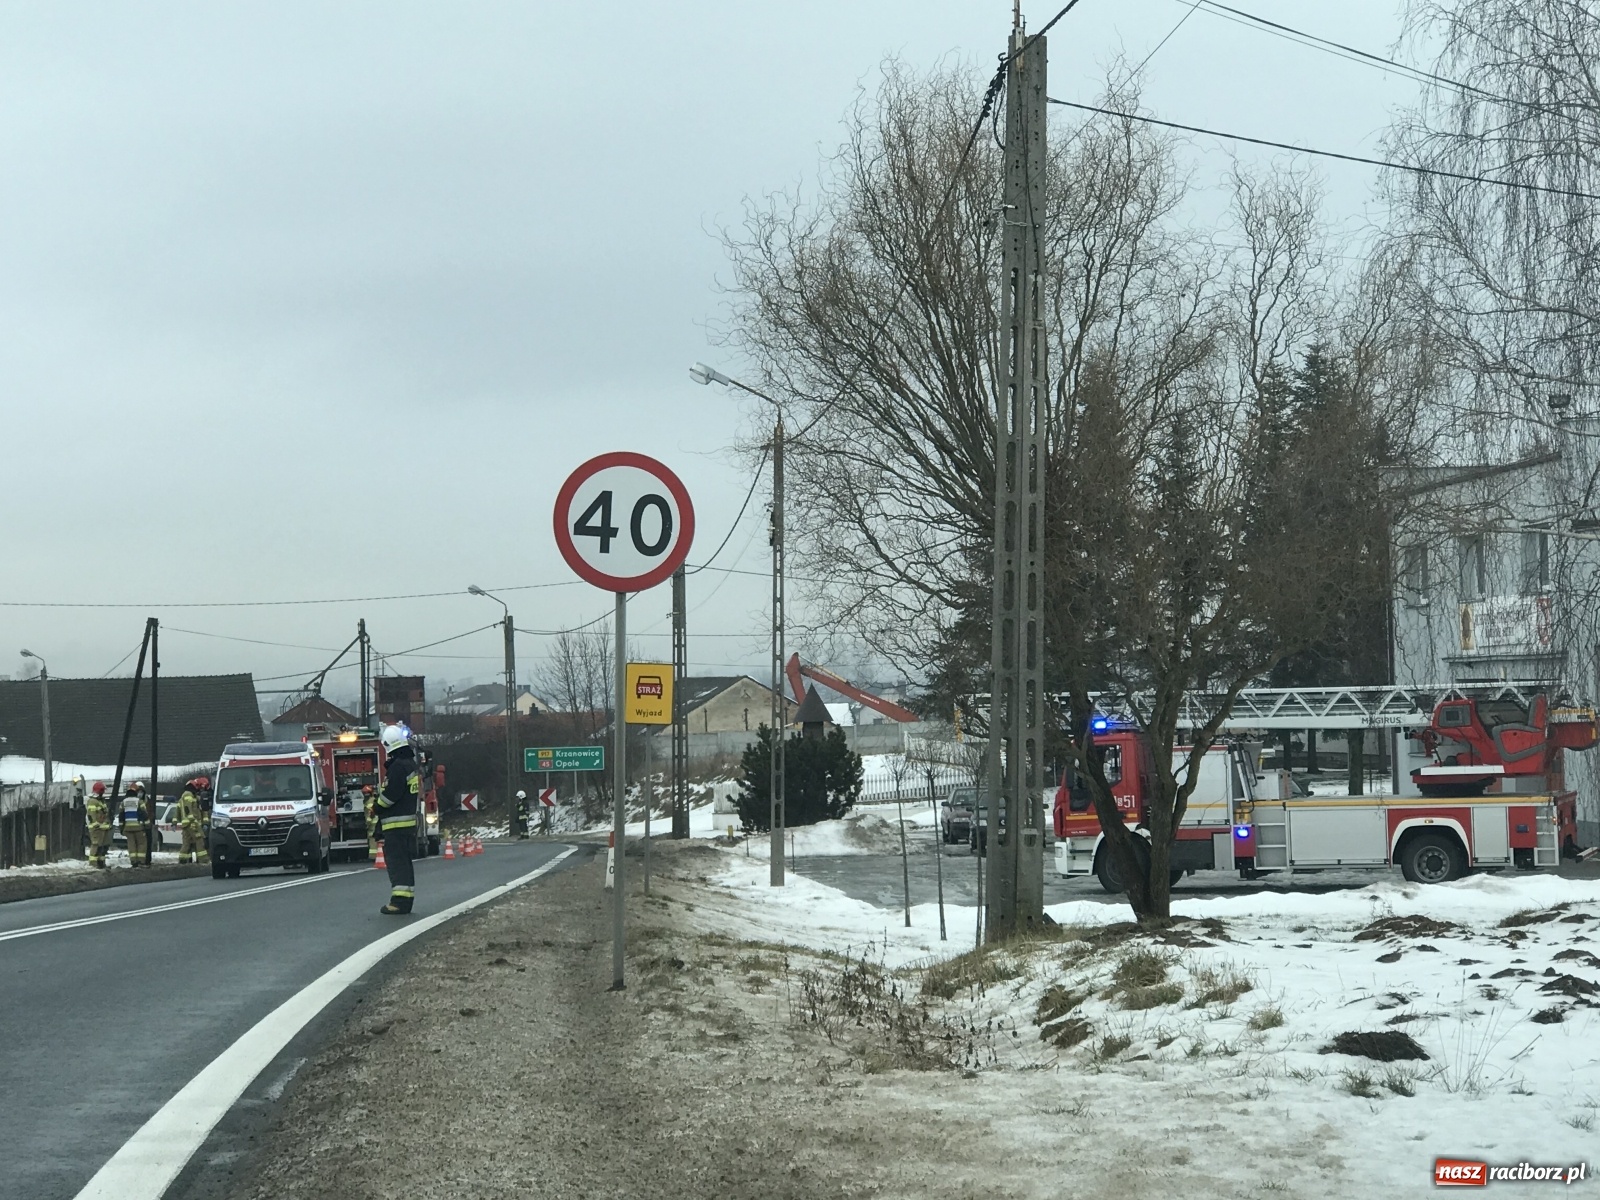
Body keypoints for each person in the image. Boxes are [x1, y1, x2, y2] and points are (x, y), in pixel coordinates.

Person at [375, 724, 419, 915]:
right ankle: (405, 900)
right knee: (404, 863)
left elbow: (390, 796)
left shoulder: (398, 767)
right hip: (406, 824)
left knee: (397, 863)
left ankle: (399, 902)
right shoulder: (409, 764)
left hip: (396, 826)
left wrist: (376, 806)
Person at [119, 782, 152, 867]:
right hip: (138, 827)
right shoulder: (139, 802)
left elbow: (121, 816)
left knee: (131, 845)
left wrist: (121, 828)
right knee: (142, 844)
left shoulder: (123, 802)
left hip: (127, 828)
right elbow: (144, 814)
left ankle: (133, 861)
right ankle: (141, 861)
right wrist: (147, 825)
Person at [176, 780, 208, 865]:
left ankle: (183, 860)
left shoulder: (183, 797)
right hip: (192, 823)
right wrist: (193, 820)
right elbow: (188, 810)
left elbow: (178, 812)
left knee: (186, 843)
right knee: (199, 840)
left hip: (186, 825)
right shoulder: (188, 795)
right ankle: (203, 860)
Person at [86, 782, 112, 868]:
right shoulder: (92, 801)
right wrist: (95, 824)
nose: (103, 792)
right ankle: (93, 864)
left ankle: (101, 863)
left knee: (103, 846)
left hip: (103, 828)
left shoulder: (100, 800)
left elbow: (104, 813)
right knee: (96, 845)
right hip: (97, 828)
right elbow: (91, 814)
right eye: (102, 790)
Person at [362, 785, 378, 858]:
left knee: (372, 839)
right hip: (374, 823)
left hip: (372, 825)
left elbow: (370, 814)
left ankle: (373, 856)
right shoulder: (371, 800)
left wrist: (367, 824)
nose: (365, 795)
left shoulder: (370, 802)